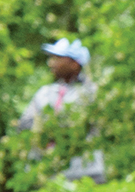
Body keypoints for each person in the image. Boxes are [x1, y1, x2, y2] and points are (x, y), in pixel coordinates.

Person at [16, 38, 105, 183]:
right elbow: (24, 124)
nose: (51, 63)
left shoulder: (91, 93)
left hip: (86, 174)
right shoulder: (44, 93)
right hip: (49, 175)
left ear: (74, 64)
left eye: (58, 58)